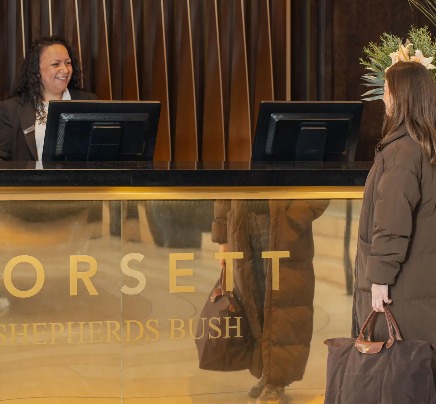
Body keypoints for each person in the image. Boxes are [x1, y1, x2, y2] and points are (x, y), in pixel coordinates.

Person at [353, 61, 436, 374]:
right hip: (423, 282)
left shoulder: (402, 153)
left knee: (397, 377)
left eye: (386, 93)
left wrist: (380, 278)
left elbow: (392, 221)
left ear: (401, 98)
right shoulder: (426, 146)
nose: (383, 100)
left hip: (402, 289)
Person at [212, 198, 329, 404]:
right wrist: (223, 237)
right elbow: (227, 179)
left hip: (282, 227)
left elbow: (324, 181)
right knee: (255, 302)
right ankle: (268, 373)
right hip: (243, 223)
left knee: (282, 306)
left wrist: (293, 219)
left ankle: (276, 382)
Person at [0, 36, 97, 161]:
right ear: (36, 70)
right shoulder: (10, 109)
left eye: (68, 63)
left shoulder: (88, 101)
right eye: (56, 64)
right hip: (29, 181)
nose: (65, 69)